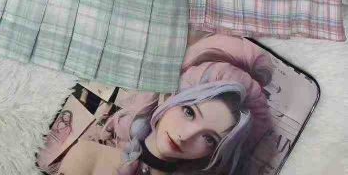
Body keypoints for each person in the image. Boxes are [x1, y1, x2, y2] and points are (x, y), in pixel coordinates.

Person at [56, 36, 273, 175]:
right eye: (189, 112)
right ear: (167, 97)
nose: (185, 136)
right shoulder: (89, 155)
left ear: (214, 153)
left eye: (209, 139)